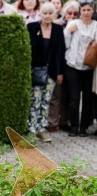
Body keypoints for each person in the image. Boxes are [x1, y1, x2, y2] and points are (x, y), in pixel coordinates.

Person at [27, 2, 65, 142]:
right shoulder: (32, 27)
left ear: (54, 14)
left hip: (52, 72)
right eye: (45, 13)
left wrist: (60, 72)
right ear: (40, 14)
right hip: (36, 70)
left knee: (46, 101)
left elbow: (61, 51)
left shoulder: (58, 29)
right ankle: (31, 129)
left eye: (50, 13)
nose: (47, 16)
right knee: (35, 100)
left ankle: (41, 129)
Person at [64, 0, 96, 137]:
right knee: (74, 98)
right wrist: (68, 32)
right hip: (73, 64)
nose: (86, 13)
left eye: (89, 10)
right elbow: (65, 42)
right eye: (84, 10)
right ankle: (74, 126)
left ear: (93, 11)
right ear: (80, 11)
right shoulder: (74, 24)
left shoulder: (96, 26)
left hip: (89, 67)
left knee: (87, 98)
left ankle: (83, 127)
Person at [50, 0, 80, 132]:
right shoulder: (57, 24)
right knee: (57, 93)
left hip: (72, 64)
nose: (72, 16)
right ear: (64, 12)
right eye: (69, 13)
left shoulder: (80, 26)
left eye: (75, 14)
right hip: (58, 62)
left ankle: (64, 120)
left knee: (68, 94)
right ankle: (53, 122)